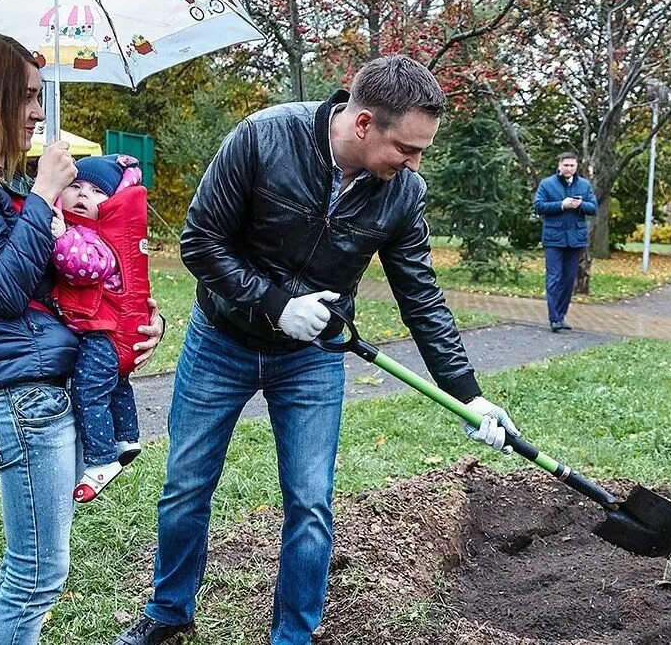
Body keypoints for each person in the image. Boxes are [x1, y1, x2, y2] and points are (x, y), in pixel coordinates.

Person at [115, 55, 520, 645]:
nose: (415, 163)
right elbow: (200, 242)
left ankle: (293, 637)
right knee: (187, 485)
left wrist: (470, 396)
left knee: (309, 504)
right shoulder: (264, 138)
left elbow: (422, 299)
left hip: (313, 356)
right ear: (362, 125)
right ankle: (169, 613)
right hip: (222, 340)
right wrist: (275, 301)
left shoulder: (402, 193)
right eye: (406, 148)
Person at [0, 32, 164, 645]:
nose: (35, 112)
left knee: (41, 574)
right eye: (25, 96)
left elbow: (49, 287)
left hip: (49, 389)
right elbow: (2, 286)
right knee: (34, 577)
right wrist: (45, 192)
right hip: (24, 401)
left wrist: (126, 328)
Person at [50, 154, 151, 503]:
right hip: (114, 333)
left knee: (88, 391)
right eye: (75, 186)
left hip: (103, 334)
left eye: (95, 191)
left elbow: (84, 267)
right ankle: (126, 436)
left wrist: (61, 237)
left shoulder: (96, 237)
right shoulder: (93, 231)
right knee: (116, 386)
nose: (82, 195)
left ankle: (101, 459)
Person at [533, 152, 597, 332]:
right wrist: (562, 204)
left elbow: (593, 208)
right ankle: (554, 319)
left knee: (569, 280)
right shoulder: (547, 184)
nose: (569, 168)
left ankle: (561, 316)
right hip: (554, 239)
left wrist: (580, 205)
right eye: (566, 165)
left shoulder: (584, 185)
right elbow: (538, 206)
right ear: (559, 166)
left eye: (572, 165)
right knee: (554, 278)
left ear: (577, 167)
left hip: (575, 240)